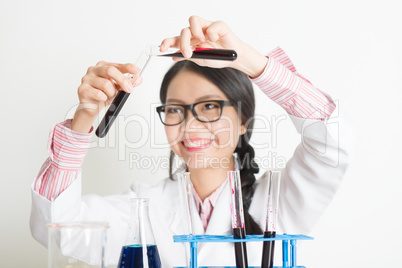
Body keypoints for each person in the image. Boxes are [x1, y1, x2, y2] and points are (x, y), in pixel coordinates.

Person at [30, 16, 356, 267]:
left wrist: (247, 60)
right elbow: (57, 230)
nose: (190, 124)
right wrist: (84, 118)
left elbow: (330, 138)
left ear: (243, 121)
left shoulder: (278, 203)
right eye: (175, 110)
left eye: (210, 106)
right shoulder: (142, 210)